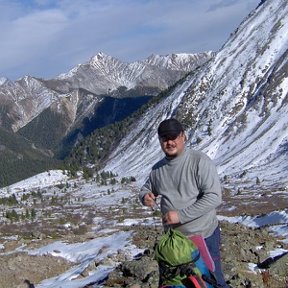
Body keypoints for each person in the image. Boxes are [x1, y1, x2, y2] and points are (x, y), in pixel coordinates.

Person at [139, 118, 228, 287]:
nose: (170, 142)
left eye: (173, 137)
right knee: (177, 283)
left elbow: (214, 196)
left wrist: (180, 216)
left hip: (203, 235)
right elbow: (146, 189)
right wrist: (145, 196)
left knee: (212, 280)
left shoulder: (199, 161)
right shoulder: (157, 170)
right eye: (165, 138)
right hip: (174, 243)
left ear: (183, 137)